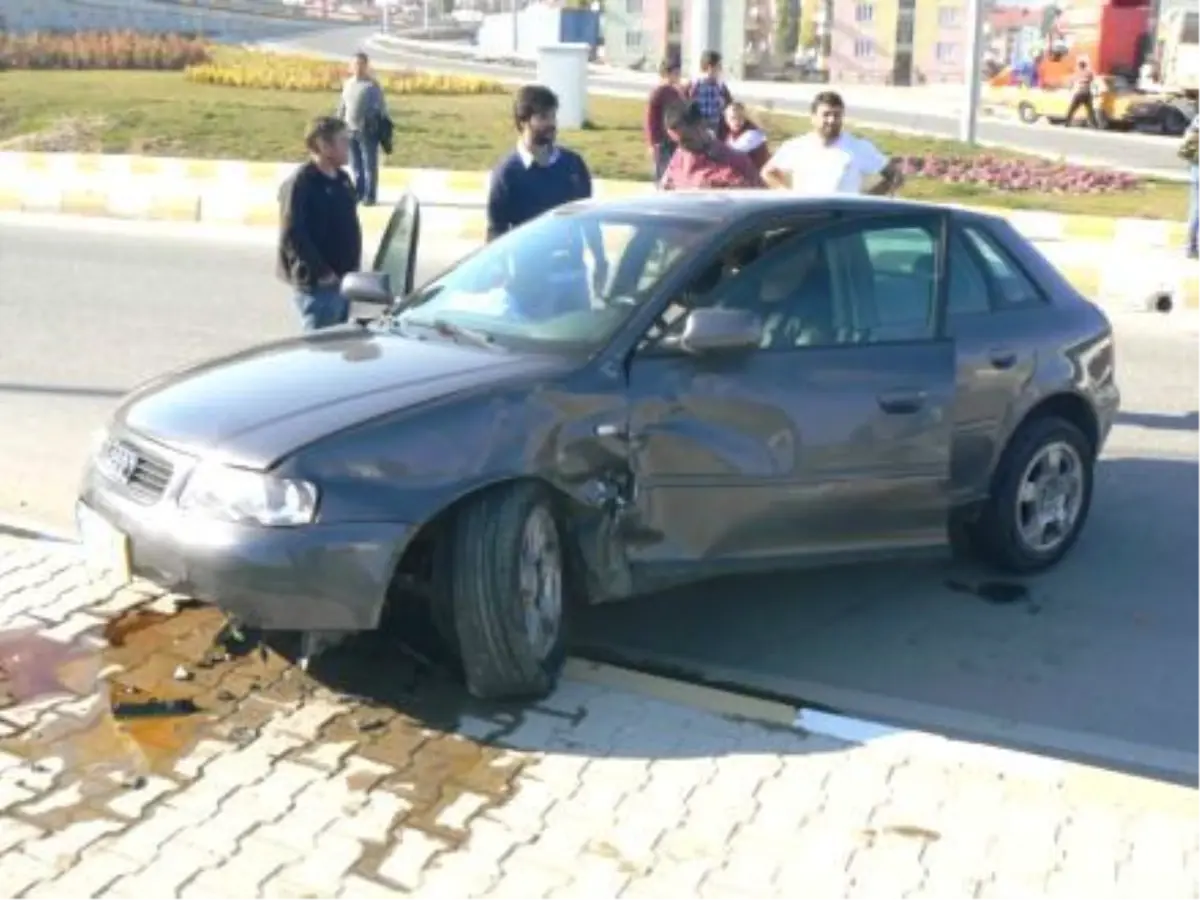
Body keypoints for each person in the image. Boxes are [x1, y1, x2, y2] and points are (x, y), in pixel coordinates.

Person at [486, 84, 608, 305]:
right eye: (543, 117)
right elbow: (497, 229)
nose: (551, 124)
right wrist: (499, 269)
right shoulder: (507, 173)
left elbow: (589, 219)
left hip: (573, 278)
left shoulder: (573, 165)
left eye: (553, 116)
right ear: (523, 121)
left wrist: (600, 259)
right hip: (529, 281)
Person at [277, 116, 362, 332]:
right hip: (320, 286)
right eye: (343, 141)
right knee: (320, 347)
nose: (348, 147)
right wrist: (322, 272)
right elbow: (293, 234)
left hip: (344, 282)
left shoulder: (342, 179)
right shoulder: (301, 184)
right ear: (323, 145)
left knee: (338, 344)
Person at [761, 91, 903, 196]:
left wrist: (865, 201)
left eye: (836, 115)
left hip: (843, 222)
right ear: (813, 117)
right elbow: (768, 173)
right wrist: (787, 194)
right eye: (826, 114)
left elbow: (896, 177)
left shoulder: (858, 147)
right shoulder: (796, 147)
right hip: (807, 219)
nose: (831, 120)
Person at [660, 101, 766, 190]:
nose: (683, 147)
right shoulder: (678, 159)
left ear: (700, 125)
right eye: (677, 142)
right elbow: (664, 191)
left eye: (687, 139)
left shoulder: (736, 163)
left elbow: (758, 199)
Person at [336, 51, 388, 205]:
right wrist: (337, 123)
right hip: (349, 130)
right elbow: (342, 106)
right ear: (351, 66)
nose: (358, 67)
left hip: (367, 132)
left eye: (361, 64)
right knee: (355, 164)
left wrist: (377, 125)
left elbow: (381, 109)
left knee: (369, 165)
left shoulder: (372, 86)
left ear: (366, 66)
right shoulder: (348, 84)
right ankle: (358, 192)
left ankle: (370, 196)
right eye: (355, 64)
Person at [645, 57, 686, 183]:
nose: (678, 76)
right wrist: (652, 143)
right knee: (662, 172)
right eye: (676, 73)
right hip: (661, 141)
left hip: (674, 139)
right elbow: (650, 120)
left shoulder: (675, 91)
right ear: (667, 74)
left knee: (673, 173)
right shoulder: (659, 92)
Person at [687, 49, 733, 137]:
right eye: (718, 66)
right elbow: (686, 104)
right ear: (710, 67)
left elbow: (729, 104)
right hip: (698, 125)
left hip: (716, 125)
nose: (721, 69)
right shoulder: (695, 84)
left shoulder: (720, 85)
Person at [724, 102, 771, 170]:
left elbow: (733, 155)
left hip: (756, 174)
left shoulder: (753, 134)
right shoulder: (731, 135)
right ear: (726, 120)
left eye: (740, 117)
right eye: (733, 118)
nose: (737, 121)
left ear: (745, 117)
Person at [1178, 116, 1200, 257]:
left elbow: (1184, 150)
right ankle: (1191, 246)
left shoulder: (1196, 121)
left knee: (1196, 209)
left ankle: (1190, 246)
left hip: (1196, 170)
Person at [1064, 58, 1099, 128]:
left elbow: (1071, 81)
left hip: (1080, 93)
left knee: (1072, 108)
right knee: (1090, 110)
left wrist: (1069, 88)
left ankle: (1067, 123)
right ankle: (1095, 125)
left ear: (1079, 66)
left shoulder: (1077, 73)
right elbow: (1092, 80)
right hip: (1087, 93)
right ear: (1085, 65)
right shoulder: (1089, 73)